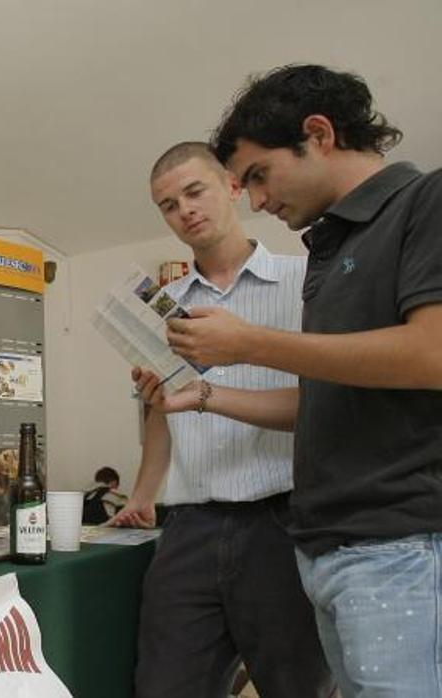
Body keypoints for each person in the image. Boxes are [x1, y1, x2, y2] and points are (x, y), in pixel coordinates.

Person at [164, 64, 442, 696]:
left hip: (397, 544)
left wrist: (250, 342)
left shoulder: (427, 202)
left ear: (318, 134)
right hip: (326, 546)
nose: (257, 200)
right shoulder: (330, 248)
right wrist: (205, 394)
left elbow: (433, 352)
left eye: (259, 175)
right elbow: (321, 399)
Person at [107, 142, 331, 697]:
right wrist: (142, 493)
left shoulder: (306, 283)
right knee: (164, 688)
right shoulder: (163, 306)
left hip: (284, 523)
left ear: (233, 187)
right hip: (189, 528)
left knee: (297, 686)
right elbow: (162, 411)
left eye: (194, 191)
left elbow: (324, 406)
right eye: (166, 204)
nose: (183, 209)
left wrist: (207, 392)